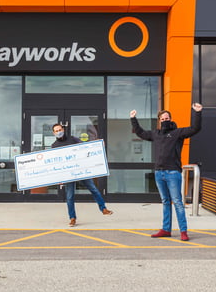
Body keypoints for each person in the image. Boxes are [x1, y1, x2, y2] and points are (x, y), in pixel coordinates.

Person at [129, 103, 202, 241]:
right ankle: (166, 229)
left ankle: (183, 231)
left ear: (171, 118)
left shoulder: (177, 133)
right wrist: (133, 118)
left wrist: (197, 112)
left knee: (178, 202)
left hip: (173, 173)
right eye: (162, 119)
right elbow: (141, 133)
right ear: (159, 121)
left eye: (167, 117)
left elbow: (195, 128)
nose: (165, 120)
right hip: (159, 173)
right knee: (165, 202)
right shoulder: (156, 134)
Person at [51, 123, 113, 227]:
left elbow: (85, 147)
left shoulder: (73, 139)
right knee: (70, 196)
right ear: (53, 133)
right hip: (68, 174)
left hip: (81, 170)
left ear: (63, 129)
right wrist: (59, 177)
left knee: (93, 189)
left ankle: (103, 209)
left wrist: (97, 146)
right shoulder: (54, 146)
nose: (58, 132)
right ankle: (72, 218)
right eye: (56, 131)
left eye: (59, 130)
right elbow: (56, 163)